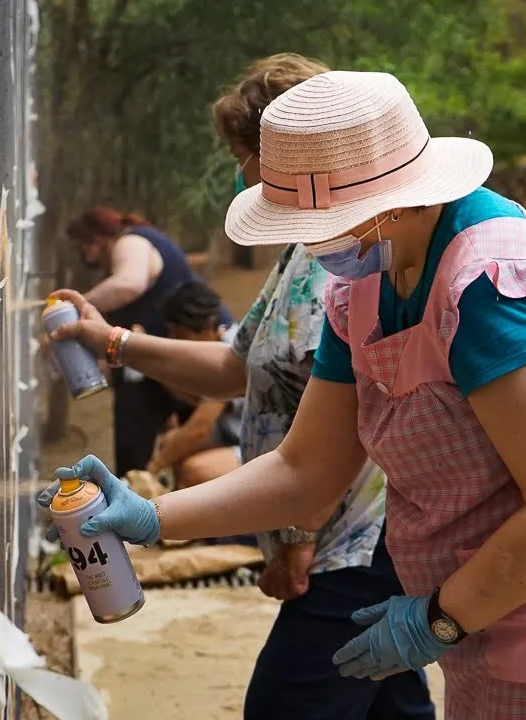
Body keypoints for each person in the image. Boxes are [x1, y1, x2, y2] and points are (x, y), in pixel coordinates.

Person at [40, 70, 526, 719]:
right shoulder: (362, 285)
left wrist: (442, 619)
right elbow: (305, 470)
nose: (309, 244)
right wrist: (155, 518)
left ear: (393, 200)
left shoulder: (488, 287)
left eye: (319, 222)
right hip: (488, 607)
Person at [50, 57, 434, 720]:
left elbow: (350, 421)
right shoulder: (304, 251)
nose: (243, 174)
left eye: (241, 154)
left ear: (285, 155)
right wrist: (109, 341)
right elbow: (233, 366)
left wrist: (296, 536)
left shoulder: (348, 261)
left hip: (354, 543)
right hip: (339, 535)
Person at [65, 207, 232, 475]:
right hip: (164, 363)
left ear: (97, 239)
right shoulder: (132, 247)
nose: (85, 256)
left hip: (188, 350)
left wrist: (71, 310)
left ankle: (136, 489)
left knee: (177, 442)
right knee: (176, 444)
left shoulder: (130, 241)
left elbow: (128, 285)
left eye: (84, 247)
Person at [146, 279, 244, 489]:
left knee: (194, 470)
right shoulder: (220, 342)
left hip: (265, 442)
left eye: (178, 332)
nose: (174, 338)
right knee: (172, 445)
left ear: (205, 326)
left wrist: (151, 470)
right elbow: (198, 395)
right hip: (233, 431)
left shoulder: (232, 351)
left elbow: (198, 428)